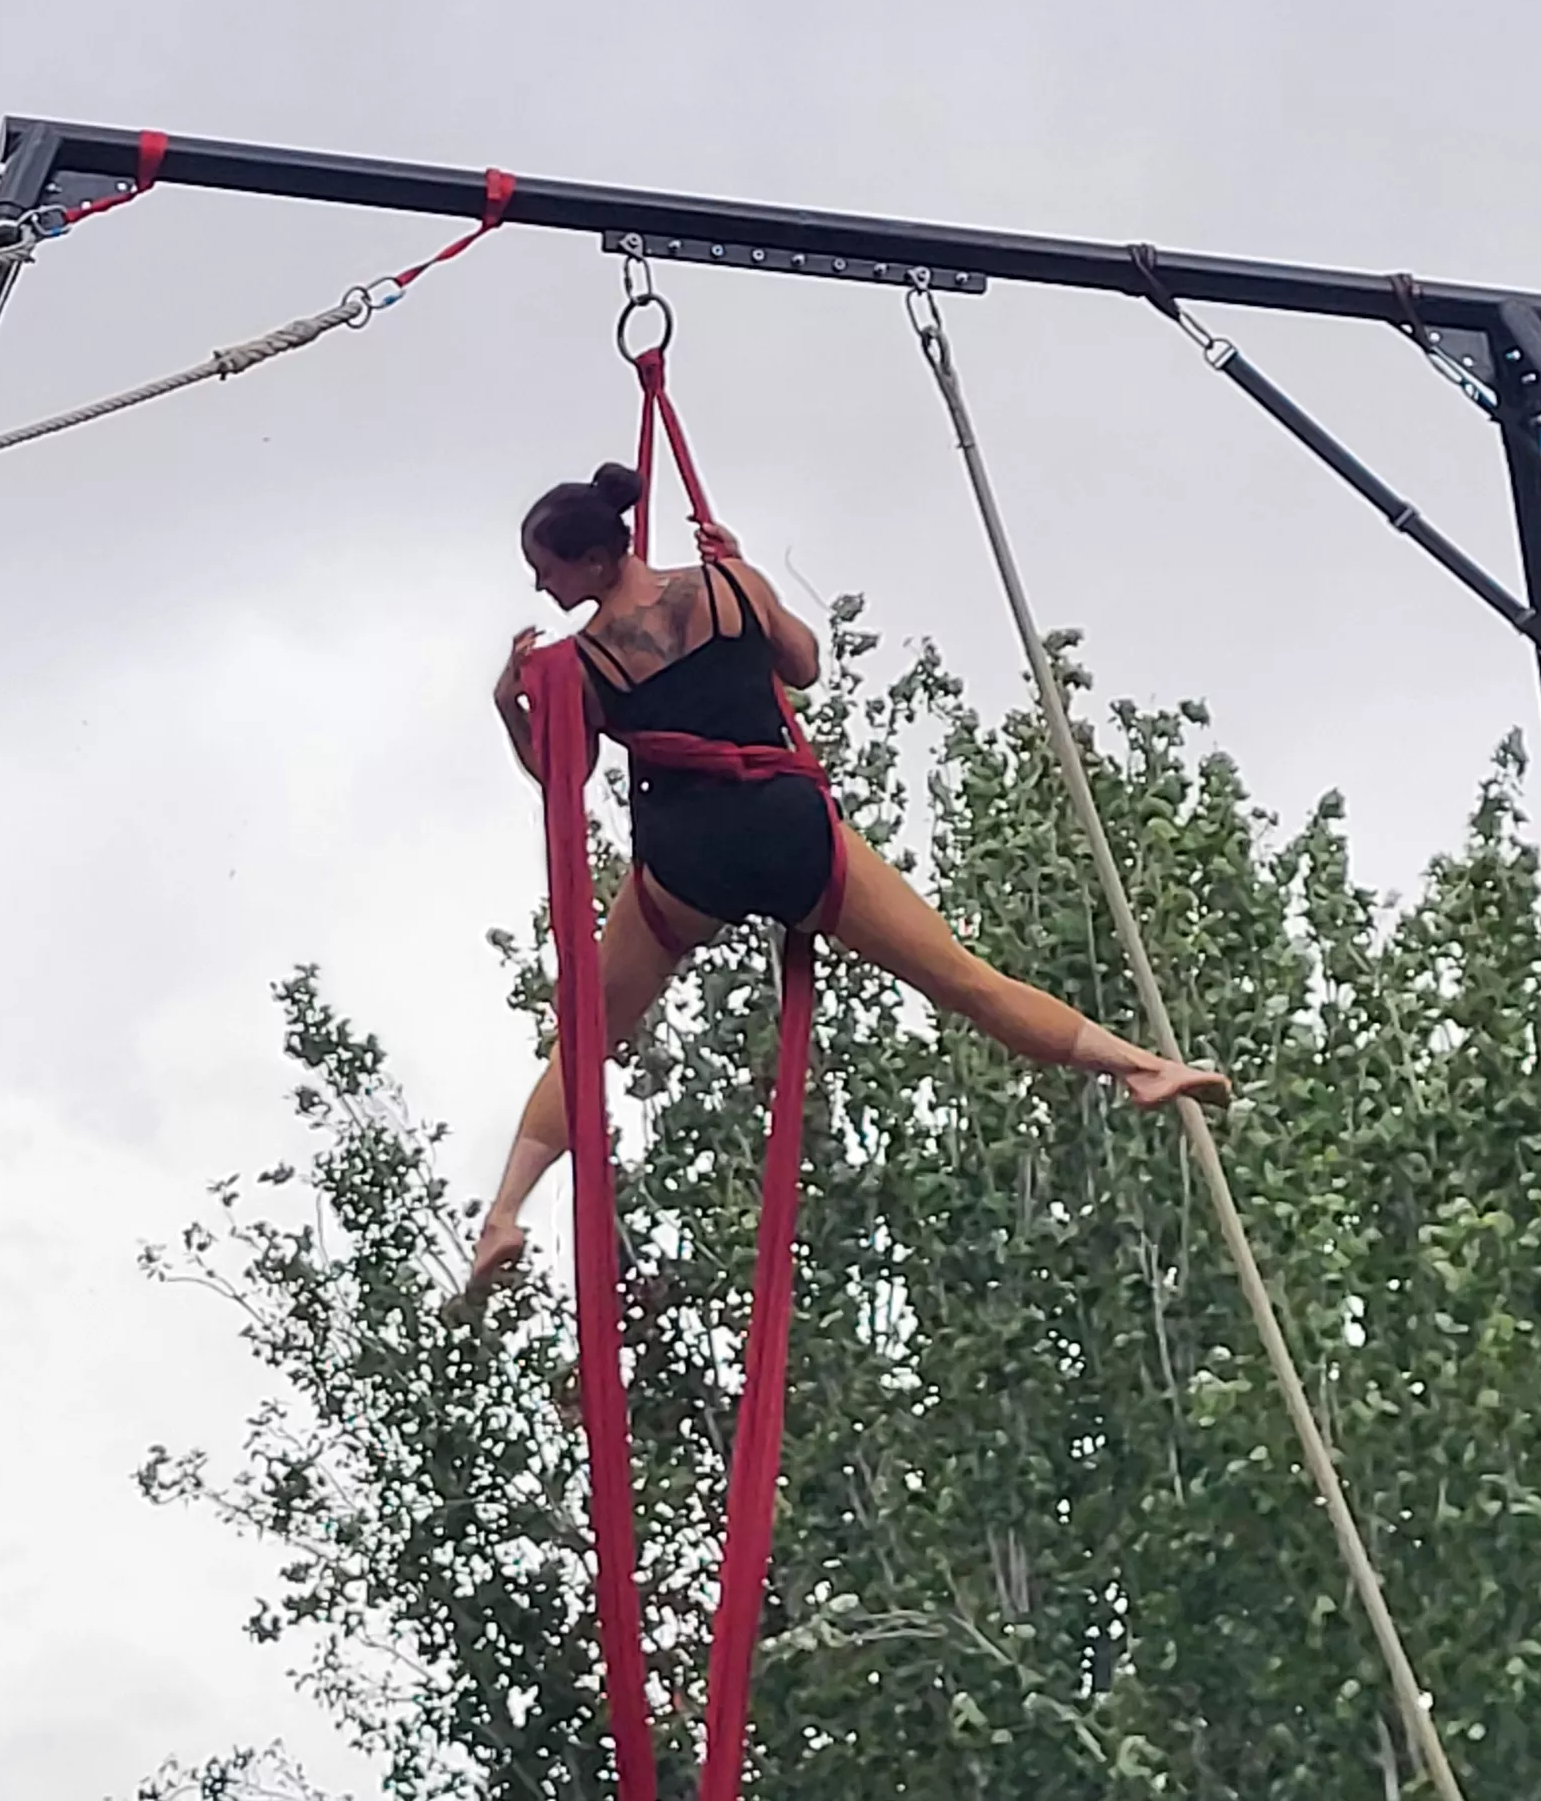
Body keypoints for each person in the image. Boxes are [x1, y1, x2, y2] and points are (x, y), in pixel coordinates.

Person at [463, 462, 1228, 1305]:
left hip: (692, 856)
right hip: (791, 830)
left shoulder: (578, 667)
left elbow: (561, 781)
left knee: (588, 1034)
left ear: (599, 562)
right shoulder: (730, 585)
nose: (540, 584)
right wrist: (747, 577)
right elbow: (805, 667)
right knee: (963, 979)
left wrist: (510, 707)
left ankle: (503, 1213)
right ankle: (1138, 1066)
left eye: (549, 567)